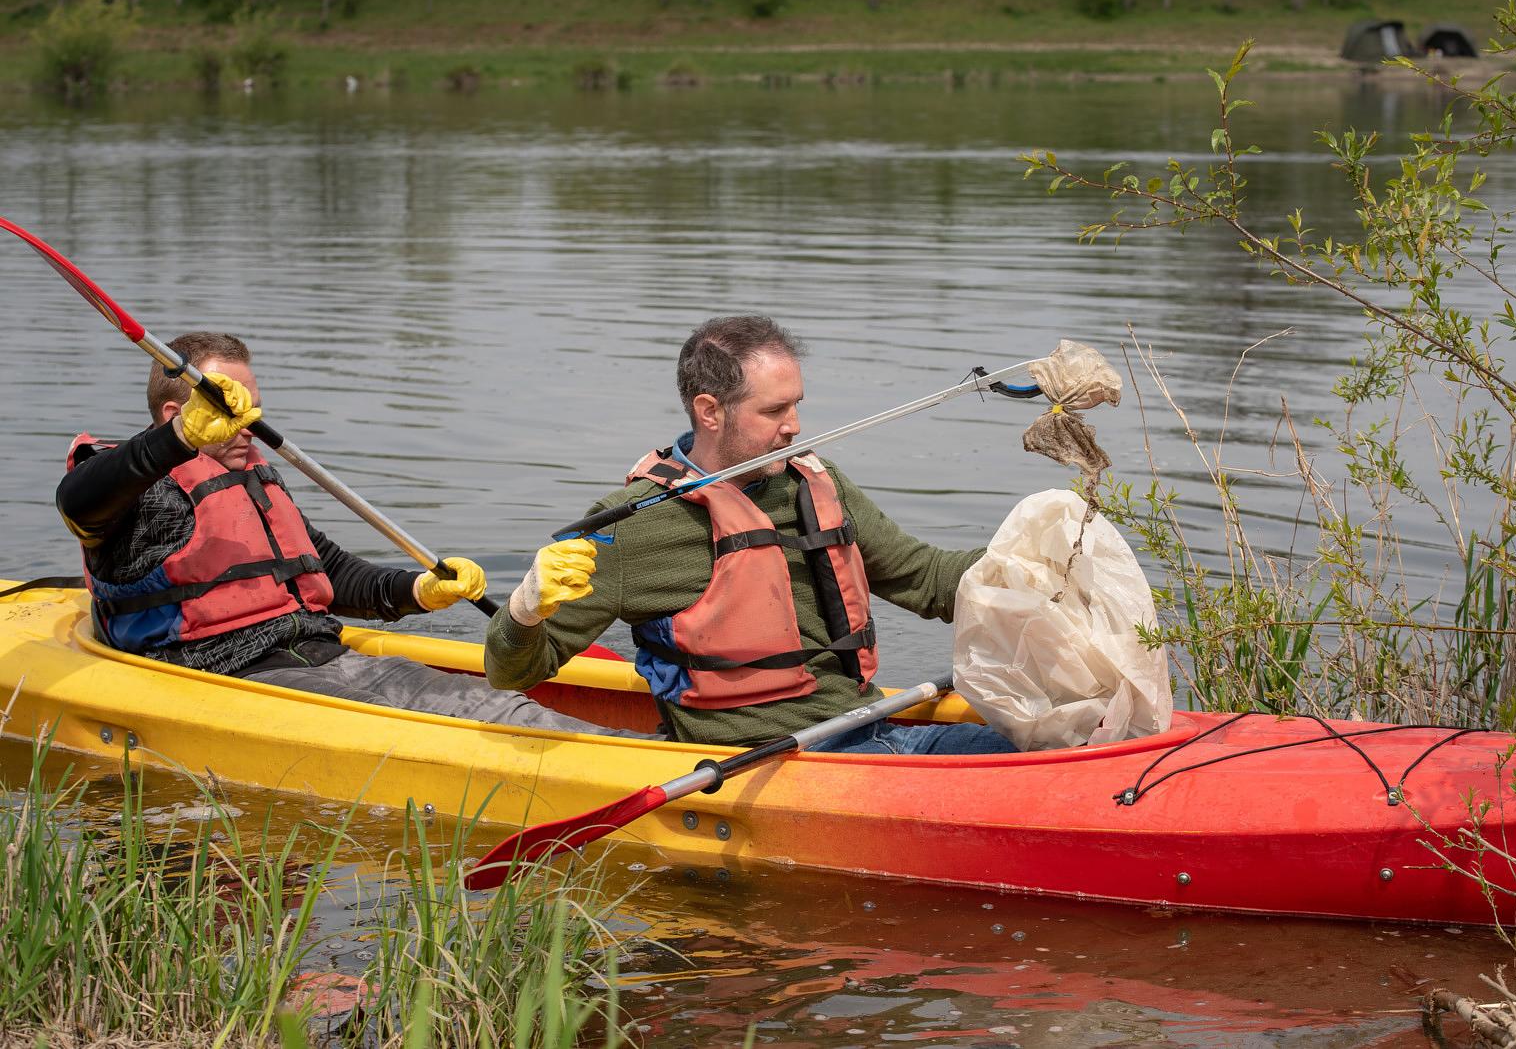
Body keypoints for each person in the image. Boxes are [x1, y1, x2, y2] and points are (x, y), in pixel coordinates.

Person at [57, 331, 649, 738]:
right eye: (229, 410)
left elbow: (328, 571)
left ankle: (658, 755)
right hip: (228, 680)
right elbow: (80, 500)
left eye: (254, 409)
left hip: (316, 654)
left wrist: (417, 591)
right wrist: (178, 444)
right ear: (174, 417)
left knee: (498, 705)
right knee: (479, 717)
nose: (249, 427)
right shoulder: (136, 495)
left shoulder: (249, 477)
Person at [485, 315, 1017, 754]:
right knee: (1026, 765)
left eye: (797, 404)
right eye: (774, 410)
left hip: (869, 728)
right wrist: (526, 610)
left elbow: (926, 579)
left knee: (1063, 740)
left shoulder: (814, 482)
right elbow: (513, 670)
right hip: (764, 761)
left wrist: (1035, 561)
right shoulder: (630, 526)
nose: (795, 426)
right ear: (710, 412)